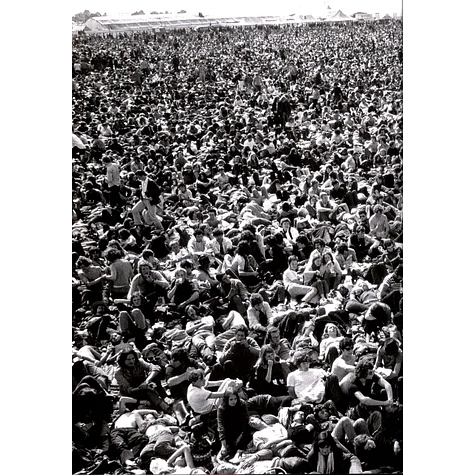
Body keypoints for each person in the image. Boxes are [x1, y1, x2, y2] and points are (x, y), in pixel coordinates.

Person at [217, 388, 252, 460]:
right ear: (227, 399)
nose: (234, 401)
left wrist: (240, 436)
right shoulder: (222, 408)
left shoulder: (242, 404)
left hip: (241, 429)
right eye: (231, 399)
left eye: (235, 398)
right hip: (229, 430)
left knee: (244, 439)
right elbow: (221, 426)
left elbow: (245, 420)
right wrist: (223, 445)